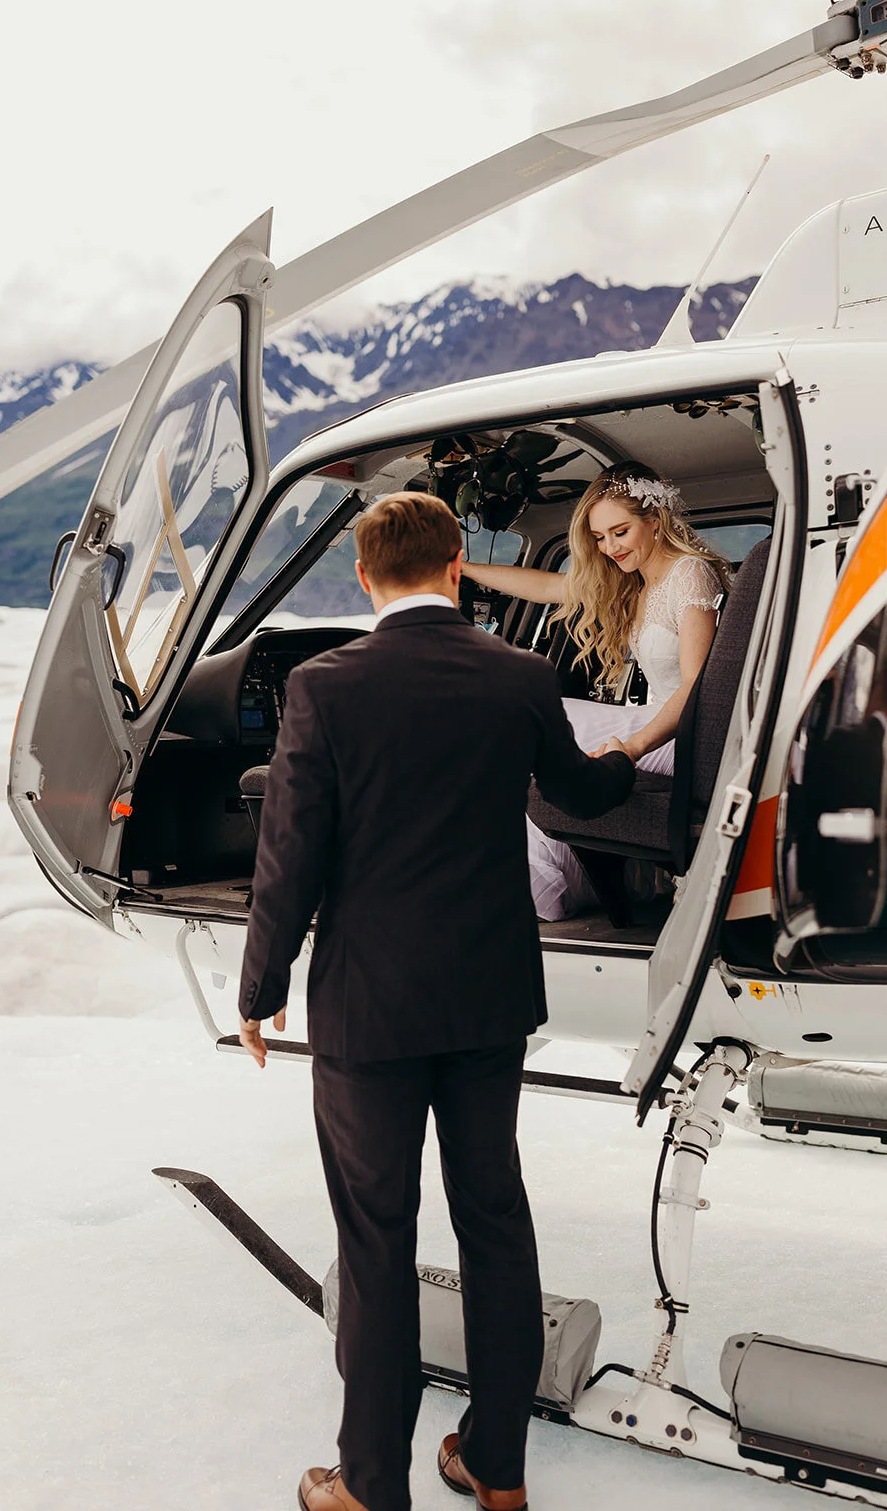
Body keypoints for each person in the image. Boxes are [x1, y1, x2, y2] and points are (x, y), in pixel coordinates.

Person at [238, 491, 636, 1511]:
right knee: (493, 1219)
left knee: (376, 1241)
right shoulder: (519, 675)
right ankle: (496, 1470)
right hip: (487, 995)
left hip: (368, 1005)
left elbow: (290, 854)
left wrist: (260, 985)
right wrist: (634, 747)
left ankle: (368, 1484)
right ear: (457, 566)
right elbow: (580, 797)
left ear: (365, 578)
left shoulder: (323, 688)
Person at [462, 461, 729, 920]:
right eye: (600, 538)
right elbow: (551, 587)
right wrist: (462, 568)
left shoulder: (689, 574)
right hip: (660, 724)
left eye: (619, 531)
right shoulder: (639, 582)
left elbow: (697, 686)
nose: (609, 548)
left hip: (685, 734)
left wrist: (631, 748)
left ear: (655, 518)